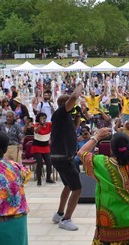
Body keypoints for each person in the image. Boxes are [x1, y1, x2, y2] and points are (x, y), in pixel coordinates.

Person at [51, 84, 84, 231]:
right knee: (77, 189)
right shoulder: (60, 113)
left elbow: (75, 128)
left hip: (62, 157)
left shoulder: (65, 117)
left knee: (68, 185)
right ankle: (66, 219)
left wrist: (77, 116)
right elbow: (74, 97)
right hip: (64, 158)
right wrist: (80, 85)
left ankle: (59, 213)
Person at [33, 112, 55, 186]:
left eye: (44, 117)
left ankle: (48, 178)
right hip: (37, 147)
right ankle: (39, 180)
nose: (43, 119)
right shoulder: (36, 125)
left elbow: (55, 126)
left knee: (49, 162)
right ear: (38, 118)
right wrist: (41, 125)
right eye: (41, 118)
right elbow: (36, 131)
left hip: (45, 146)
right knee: (39, 163)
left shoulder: (49, 124)